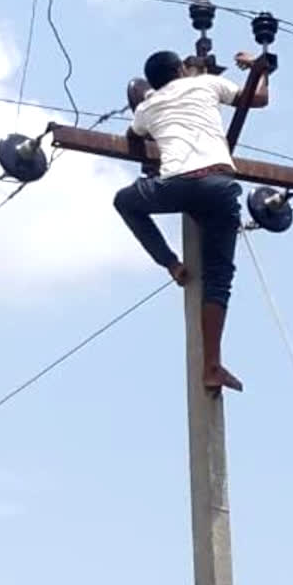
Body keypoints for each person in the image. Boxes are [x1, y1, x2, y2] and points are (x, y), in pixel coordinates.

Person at [113, 49, 269, 391]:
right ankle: (212, 366)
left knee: (124, 202)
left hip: (176, 186)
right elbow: (258, 98)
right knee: (219, 278)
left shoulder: (146, 107)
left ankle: (171, 264)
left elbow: (133, 137)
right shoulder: (206, 84)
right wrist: (262, 70)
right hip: (219, 185)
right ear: (182, 70)